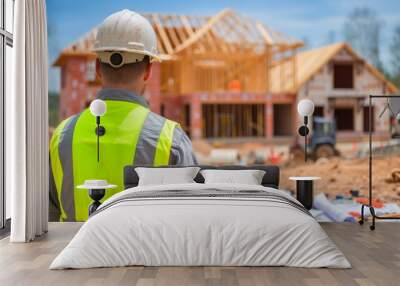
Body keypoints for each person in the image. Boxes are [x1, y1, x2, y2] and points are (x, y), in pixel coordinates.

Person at [49, 9, 197, 222]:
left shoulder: (62, 135)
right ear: (148, 71)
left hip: (72, 252)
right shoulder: (171, 139)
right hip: (145, 255)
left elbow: (49, 217)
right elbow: (191, 218)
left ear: (98, 67)